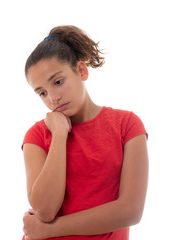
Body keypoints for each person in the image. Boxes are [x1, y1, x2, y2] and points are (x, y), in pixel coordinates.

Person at [21, 25, 148, 240]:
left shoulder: (127, 125)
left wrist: (49, 230)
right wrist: (60, 135)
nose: (53, 98)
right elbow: (45, 210)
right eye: (42, 92)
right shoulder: (37, 135)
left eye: (58, 82)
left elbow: (131, 211)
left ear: (81, 71)